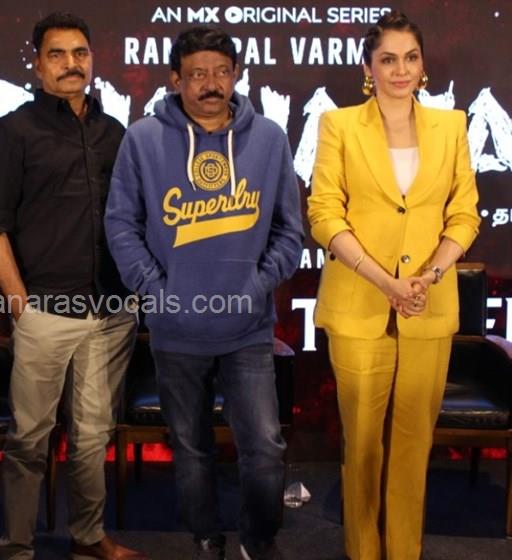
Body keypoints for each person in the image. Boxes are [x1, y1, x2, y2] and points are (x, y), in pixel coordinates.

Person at [105, 26, 303, 560]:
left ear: (236, 75)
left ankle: (258, 540)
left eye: (220, 72)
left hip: (247, 329)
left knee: (264, 447)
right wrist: (157, 291)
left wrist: (256, 286)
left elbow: (290, 232)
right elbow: (121, 224)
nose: (210, 83)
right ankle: (207, 538)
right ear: (176, 79)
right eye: (197, 74)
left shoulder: (269, 139)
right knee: (191, 449)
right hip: (175, 331)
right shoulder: (143, 139)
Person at [307, 10, 480, 559]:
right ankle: (363, 552)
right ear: (369, 67)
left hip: (428, 305)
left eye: (410, 58)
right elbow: (324, 215)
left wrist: (429, 275)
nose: (400, 70)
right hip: (360, 304)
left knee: (413, 446)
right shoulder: (338, 126)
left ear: (422, 64)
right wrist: (386, 282)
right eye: (388, 59)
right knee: (362, 446)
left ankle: (405, 552)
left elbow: (465, 215)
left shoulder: (451, 126)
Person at [0, 12, 145, 560]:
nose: (71, 64)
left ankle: (87, 536)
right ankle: (17, 547)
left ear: (91, 60)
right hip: (44, 312)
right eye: (57, 54)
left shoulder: (114, 132)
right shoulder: (11, 132)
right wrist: (19, 304)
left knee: (93, 436)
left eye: (80, 53)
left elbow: (134, 218)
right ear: (37, 64)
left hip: (111, 312)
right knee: (29, 439)